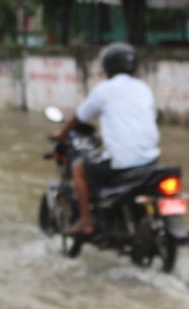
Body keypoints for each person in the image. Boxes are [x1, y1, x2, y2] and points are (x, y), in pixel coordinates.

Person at [55, 42, 160, 236]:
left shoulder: (104, 89)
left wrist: (62, 134)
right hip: (151, 159)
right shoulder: (143, 88)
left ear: (107, 67)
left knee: (78, 168)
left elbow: (79, 117)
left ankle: (86, 221)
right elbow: (154, 117)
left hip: (122, 161)